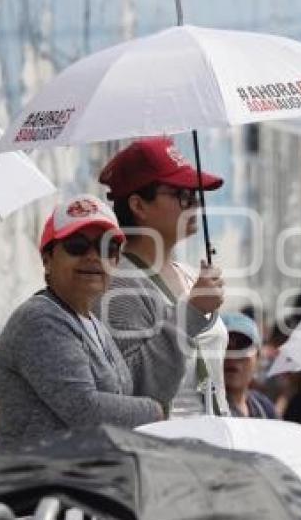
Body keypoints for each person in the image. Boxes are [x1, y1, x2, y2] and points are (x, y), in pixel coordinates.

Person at [0, 195, 163, 450]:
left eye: (107, 249)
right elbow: (85, 410)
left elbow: (121, 396)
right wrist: (156, 410)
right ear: (47, 260)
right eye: (77, 245)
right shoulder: (39, 319)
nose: (93, 257)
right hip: (37, 482)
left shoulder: (92, 322)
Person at [95, 137, 228, 417]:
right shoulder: (118, 284)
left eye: (196, 193)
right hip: (164, 450)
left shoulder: (191, 276)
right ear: (139, 206)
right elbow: (134, 389)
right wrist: (191, 312)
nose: (194, 203)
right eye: (182, 194)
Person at [222, 312, 277, 419]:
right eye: (224, 346)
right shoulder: (199, 409)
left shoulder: (265, 409)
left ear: (258, 358)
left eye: (242, 346)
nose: (232, 357)